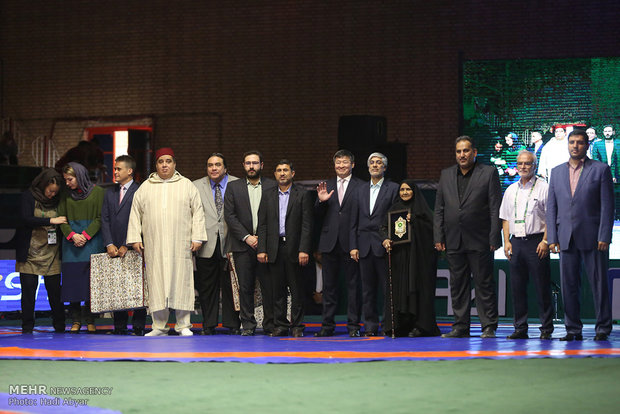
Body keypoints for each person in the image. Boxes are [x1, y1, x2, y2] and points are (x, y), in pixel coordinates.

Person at [127, 148, 207, 336]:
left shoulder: (186, 185)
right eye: (161, 161)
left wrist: (197, 237)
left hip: (181, 244)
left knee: (182, 281)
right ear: (156, 165)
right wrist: (135, 238)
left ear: (174, 164)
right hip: (154, 245)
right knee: (157, 284)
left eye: (168, 161)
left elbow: (198, 212)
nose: (165, 165)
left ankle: (183, 325)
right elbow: (135, 214)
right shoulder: (146, 186)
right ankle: (159, 326)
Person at [547, 130, 614, 341]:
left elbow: (607, 206)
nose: (575, 146)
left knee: (599, 285)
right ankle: (572, 329)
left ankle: (603, 328)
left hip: (594, 237)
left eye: (580, 143)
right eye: (572, 142)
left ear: (587, 145)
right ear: (568, 145)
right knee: (568, 286)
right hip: (566, 236)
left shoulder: (601, 170)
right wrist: (552, 238)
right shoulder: (557, 172)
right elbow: (551, 208)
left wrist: (604, 235)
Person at [434, 136, 501, 338]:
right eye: (458, 152)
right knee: (457, 285)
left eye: (465, 151)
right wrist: (438, 235)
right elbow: (439, 209)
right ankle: (460, 326)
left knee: (484, 284)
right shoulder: (446, 175)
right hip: (453, 238)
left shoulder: (488, 172)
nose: (462, 155)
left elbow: (494, 207)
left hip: (480, 238)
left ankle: (488, 325)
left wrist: (494, 237)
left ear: (474, 152)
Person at [499, 150, 554, 340]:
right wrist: (506, 241)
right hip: (516, 243)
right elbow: (505, 218)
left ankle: (546, 328)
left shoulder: (544, 187)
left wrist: (546, 241)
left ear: (535, 166)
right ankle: (520, 328)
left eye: (527, 163)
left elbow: (550, 217)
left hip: (536, 242)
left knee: (541, 287)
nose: (523, 167)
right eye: (520, 163)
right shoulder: (511, 189)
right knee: (517, 288)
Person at [257, 160, 313, 337]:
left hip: (295, 248)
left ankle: (297, 326)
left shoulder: (302, 194)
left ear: (292, 173)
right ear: (274, 174)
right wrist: (262, 248)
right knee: (277, 290)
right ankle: (280, 325)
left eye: (285, 170)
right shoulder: (267, 194)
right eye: (279, 170)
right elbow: (263, 224)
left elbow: (307, 225)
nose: (282, 173)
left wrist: (304, 249)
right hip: (274, 248)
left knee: (296, 290)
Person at [224, 151, 277, 336]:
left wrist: (262, 239)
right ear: (243, 165)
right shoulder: (233, 187)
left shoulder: (272, 185)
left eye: (255, 163)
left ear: (262, 165)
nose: (251, 166)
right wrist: (247, 237)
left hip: (267, 245)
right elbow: (229, 216)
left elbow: (277, 216)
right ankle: (247, 324)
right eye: (248, 163)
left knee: (268, 286)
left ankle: (270, 324)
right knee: (245, 287)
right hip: (242, 245)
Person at [314, 149, 364, 337]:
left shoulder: (361, 186)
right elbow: (317, 216)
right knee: (329, 287)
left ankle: (353, 327)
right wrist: (321, 202)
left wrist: (357, 243)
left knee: (353, 287)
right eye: (338, 163)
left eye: (345, 162)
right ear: (334, 165)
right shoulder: (326, 185)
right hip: (329, 242)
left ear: (353, 164)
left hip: (352, 243)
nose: (341, 166)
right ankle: (327, 326)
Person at [381, 180, 440, 337]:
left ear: (414, 191)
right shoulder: (394, 209)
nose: (405, 192)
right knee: (400, 291)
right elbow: (384, 227)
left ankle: (420, 326)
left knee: (418, 290)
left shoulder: (422, 211)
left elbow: (431, 231)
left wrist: (415, 220)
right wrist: (385, 239)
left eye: (408, 189)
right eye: (402, 190)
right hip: (399, 259)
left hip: (418, 259)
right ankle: (400, 326)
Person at [349, 152, 399, 336]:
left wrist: (391, 239)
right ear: (368, 167)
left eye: (379, 163)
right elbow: (353, 220)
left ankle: (388, 325)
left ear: (384, 168)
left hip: (384, 244)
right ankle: (370, 326)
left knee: (387, 289)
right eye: (372, 162)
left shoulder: (393, 188)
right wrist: (353, 245)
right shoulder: (359, 190)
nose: (375, 165)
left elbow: (395, 216)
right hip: (363, 245)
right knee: (367, 290)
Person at [193, 153, 241, 335]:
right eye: (210, 165)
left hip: (232, 242)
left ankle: (233, 324)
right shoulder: (196, 186)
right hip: (206, 244)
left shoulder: (238, 183)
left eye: (217, 165)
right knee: (207, 287)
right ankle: (209, 324)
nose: (213, 168)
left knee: (231, 286)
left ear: (225, 168)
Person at [16, 168, 67, 333]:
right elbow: (25, 219)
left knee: (55, 292)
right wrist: (51, 220)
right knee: (29, 292)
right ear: (43, 184)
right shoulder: (28, 196)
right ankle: (27, 326)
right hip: (30, 252)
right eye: (50, 191)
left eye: (55, 192)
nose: (52, 194)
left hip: (51, 252)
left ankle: (60, 326)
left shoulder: (58, 200)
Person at [100, 155, 146, 336]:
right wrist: (109, 243)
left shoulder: (140, 190)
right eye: (115, 169)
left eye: (119, 169)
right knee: (117, 286)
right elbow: (104, 219)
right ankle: (119, 326)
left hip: (135, 246)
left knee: (137, 287)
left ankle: (139, 326)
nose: (115, 172)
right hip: (113, 249)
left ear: (130, 171)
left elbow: (143, 220)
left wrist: (128, 243)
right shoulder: (110, 192)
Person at [58, 162, 105, 333]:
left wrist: (85, 236)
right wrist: (73, 236)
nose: (67, 183)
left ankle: (91, 320)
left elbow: (100, 218)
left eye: (70, 179)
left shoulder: (99, 193)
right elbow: (61, 219)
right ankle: (76, 320)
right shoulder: (65, 195)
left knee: (90, 285)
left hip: (91, 244)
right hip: (71, 248)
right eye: (66, 180)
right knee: (73, 285)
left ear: (79, 176)